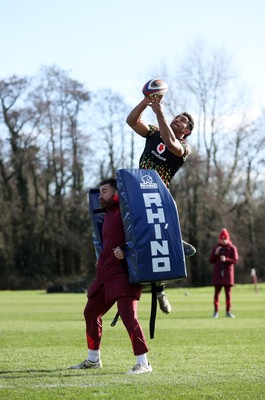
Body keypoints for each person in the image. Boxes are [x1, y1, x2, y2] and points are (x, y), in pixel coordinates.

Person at [69, 178, 152, 374]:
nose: (100, 195)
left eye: (104, 191)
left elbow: (142, 236)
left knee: (128, 316)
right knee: (90, 312)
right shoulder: (107, 214)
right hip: (106, 273)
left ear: (116, 192)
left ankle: (144, 363)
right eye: (99, 192)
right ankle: (93, 359)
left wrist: (125, 250)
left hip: (124, 273)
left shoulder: (126, 210)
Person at [126, 95, 196, 314]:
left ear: (187, 131)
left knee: (158, 244)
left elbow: (170, 143)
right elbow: (131, 121)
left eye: (183, 120)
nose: (178, 119)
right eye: (177, 116)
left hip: (158, 195)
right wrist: (145, 102)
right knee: (133, 239)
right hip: (137, 191)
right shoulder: (155, 131)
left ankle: (160, 290)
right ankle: (174, 241)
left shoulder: (184, 147)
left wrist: (159, 113)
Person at [209, 228, 239, 318]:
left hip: (228, 275)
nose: (223, 240)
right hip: (217, 276)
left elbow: (235, 260)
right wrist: (216, 253)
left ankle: (228, 311)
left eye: (225, 238)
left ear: (228, 238)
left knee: (228, 295)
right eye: (222, 239)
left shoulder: (232, 248)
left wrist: (226, 259)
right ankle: (216, 312)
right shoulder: (216, 248)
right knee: (216, 295)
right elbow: (211, 260)